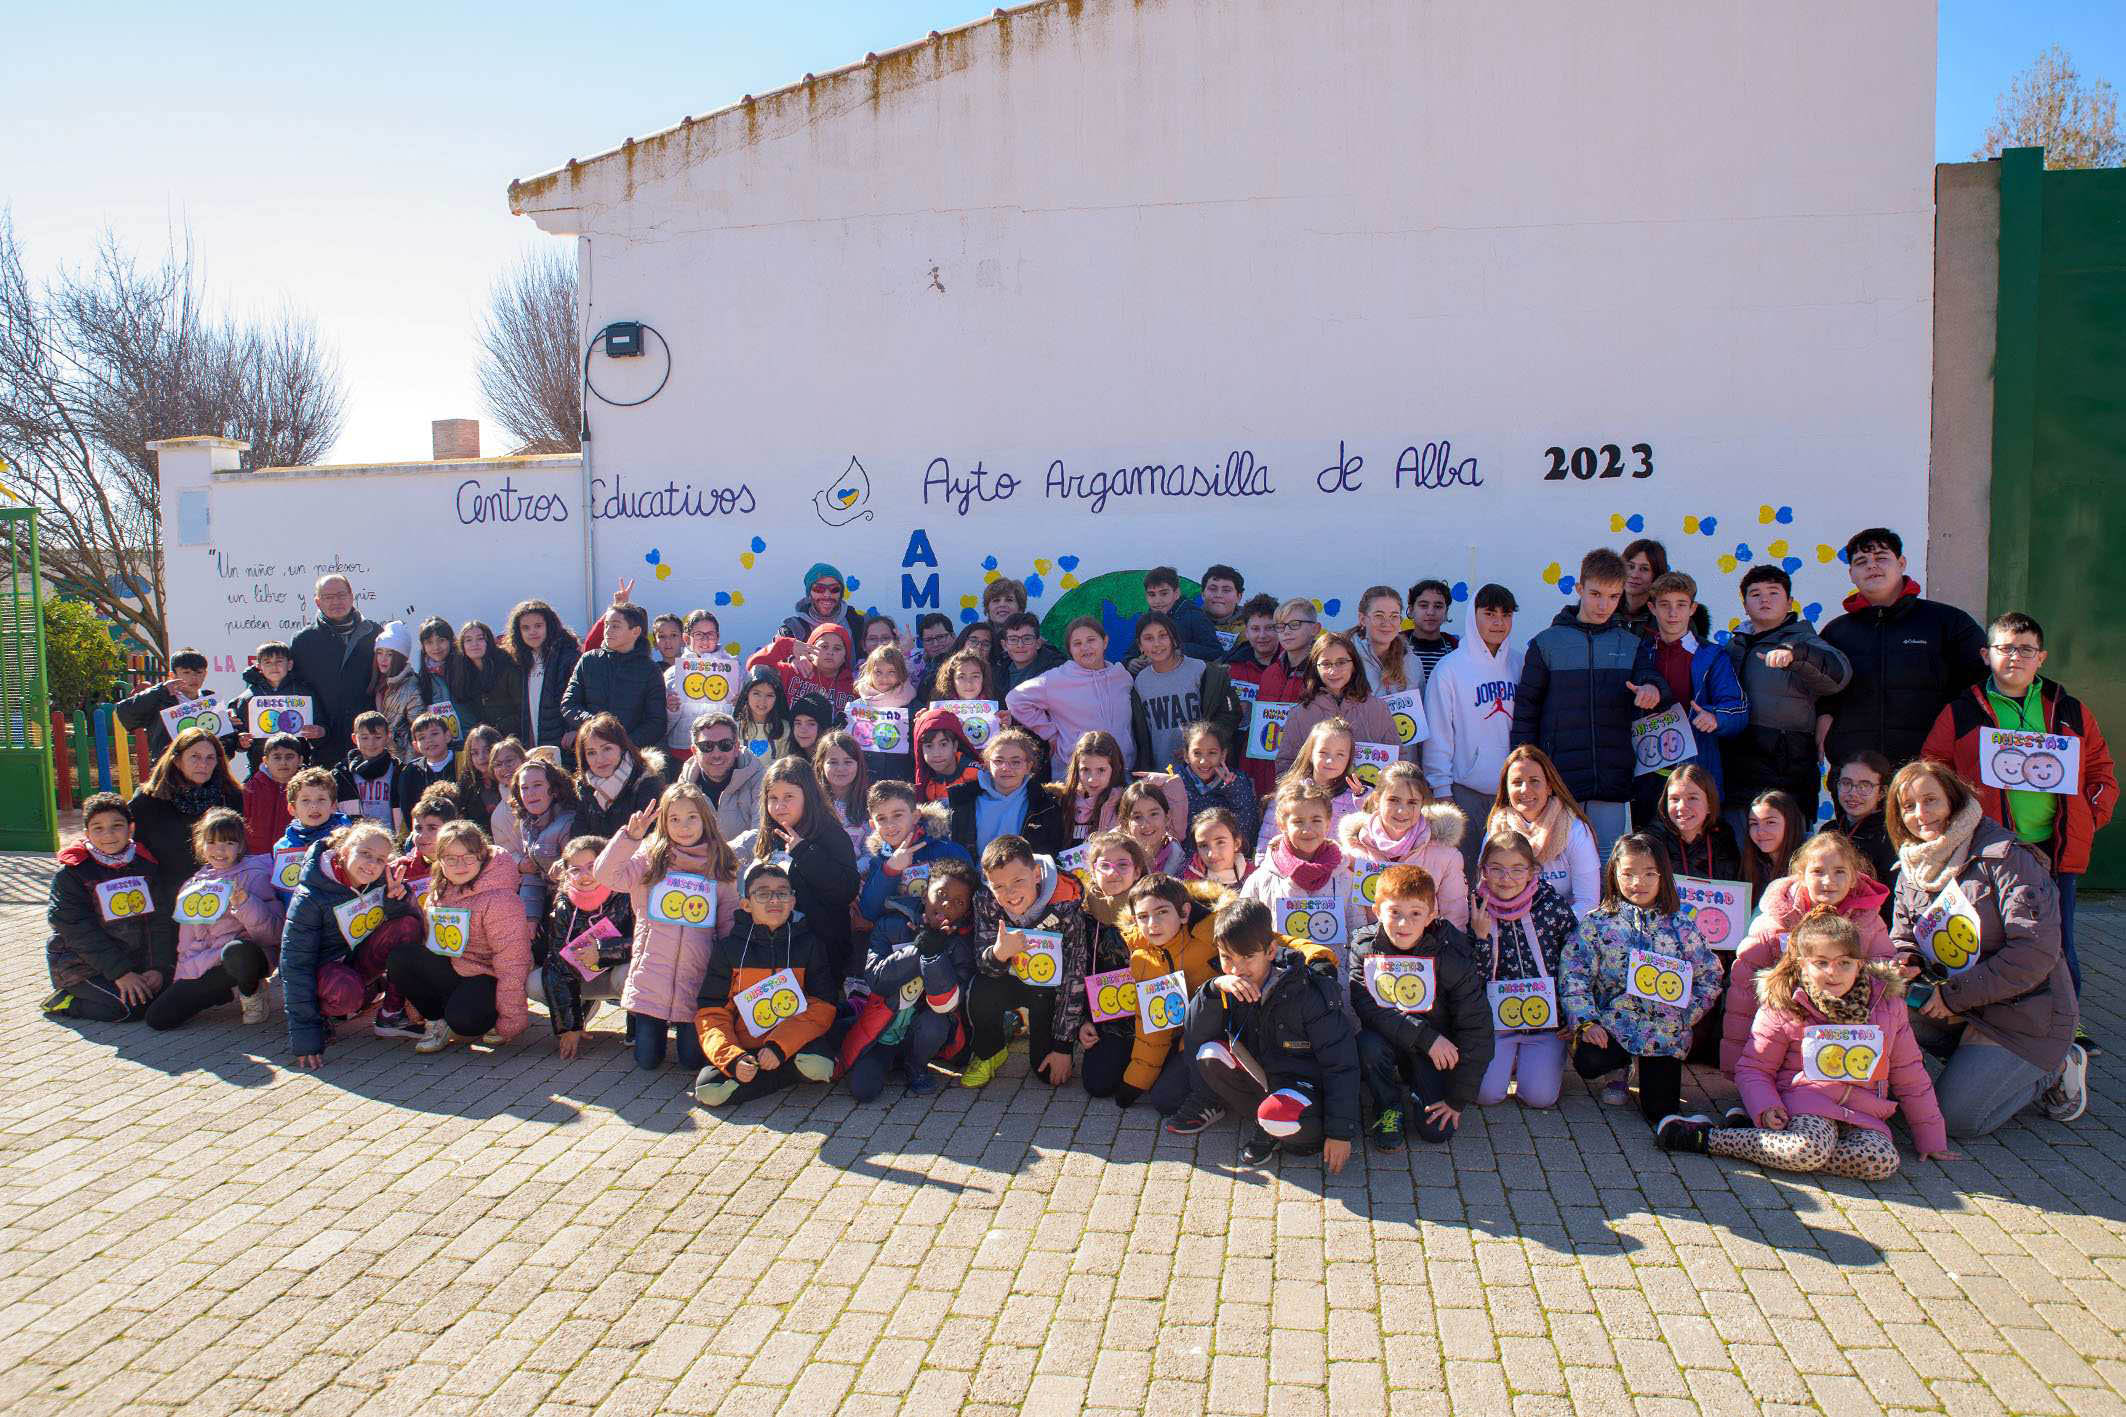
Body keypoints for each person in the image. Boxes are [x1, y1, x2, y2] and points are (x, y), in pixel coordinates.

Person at [1922, 611, 2116, 1015]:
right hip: (1989, 850)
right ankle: (1991, 1019)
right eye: (2005, 648)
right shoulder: (1960, 712)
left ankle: (2067, 1024)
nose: (2015, 657)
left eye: (2025, 649)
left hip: (2055, 848)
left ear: (2040, 658)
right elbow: (1932, 770)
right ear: (1986, 653)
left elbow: (2101, 771)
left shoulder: (2071, 711)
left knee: (2058, 943)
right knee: (1990, 938)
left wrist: (2090, 818)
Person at [1664, 909, 1952, 1175]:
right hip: (1806, 1103)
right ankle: (1708, 1137)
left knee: (1881, 1161)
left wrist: (1931, 1137)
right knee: (1805, 1149)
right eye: (1822, 963)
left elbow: (1911, 1074)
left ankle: (1768, 1142)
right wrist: (1766, 1106)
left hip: (1865, 1111)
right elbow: (1754, 1068)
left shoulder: (1887, 1006)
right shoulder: (1786, 1004)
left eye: (1844, 963)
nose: (1833, 972)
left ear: (1860, 965)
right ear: (1803, 964)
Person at [1885, 760, 2085, 1134]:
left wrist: (1953, 997)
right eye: (1907, 806)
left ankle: (2055, 1068)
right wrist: (1906, 959)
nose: (1920, 814)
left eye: (1931, 800)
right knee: (1883, 1010)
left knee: (1954, 1120)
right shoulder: (1914, 864)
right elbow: (1904, 935)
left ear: (1955, 801)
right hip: (1962, 1003)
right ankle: (1974, 1063)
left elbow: (2033, 954)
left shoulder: (2007, 857)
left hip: (2025, 1015)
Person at [1167, 897, 1358, 1172]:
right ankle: (1265, 1124)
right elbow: (1195, 1033)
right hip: (1264, 1079)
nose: (1236, 969)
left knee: (1282, 1120)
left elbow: (1341, 1062)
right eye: (1227, 957)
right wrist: (1213, 989)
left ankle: (1287, 1130)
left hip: (1306, 1091)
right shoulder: (1227, 985)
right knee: (1209, 1053)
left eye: (1247, 957)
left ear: (1270, 951)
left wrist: (1340, 1132)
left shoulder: (1307, 991)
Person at [1512, 548, 1670, 860]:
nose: (1603, 605)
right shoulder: (1545, 643)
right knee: (1552, 866)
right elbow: (1525, 712)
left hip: (1611, 783)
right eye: (1596, 594)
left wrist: (1652, 689)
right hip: (1556, 785)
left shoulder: (1630, 643)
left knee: (1605, 865)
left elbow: (1654, 680)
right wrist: (1525, 773)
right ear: (1580, 588)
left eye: (1613, 596)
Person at [1559, 833, 1719, 1121]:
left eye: (1649, 874)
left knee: (1661, 1111)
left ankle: (1649, 1069)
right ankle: (1618, 1067)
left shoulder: (1682, 926)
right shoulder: (1598, 923)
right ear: (1614, 874)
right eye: (1628, 874)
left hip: (1664, 1033)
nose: (1638, 883)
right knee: (1589, 1060)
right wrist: (1587, 1021)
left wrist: (1686, 1016)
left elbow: (1710, 976)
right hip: (1617, 1022)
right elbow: (1574, 974)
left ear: (1663, 876)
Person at [1720, 831, 1890, 1077]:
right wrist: (1736, 1067)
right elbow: (1743, 994)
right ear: (1801, 876)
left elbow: (1883, 971)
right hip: (1780, 1038)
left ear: (1854, 878)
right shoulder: (1776, 921)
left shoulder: (1868, 921)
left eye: (1839, 871)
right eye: (1818, 871)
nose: (1828, 880)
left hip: (1840, 1046)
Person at [595, 783, 741, 1072]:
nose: (683, 826)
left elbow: (728, 917)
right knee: (648, 1060)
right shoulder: (651, 856)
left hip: (696, 973)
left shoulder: (719, 862)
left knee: (691, 1061)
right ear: (663, 822)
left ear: (705, 820)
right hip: (653, 972)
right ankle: (645, 1031)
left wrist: (730, 966)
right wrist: (630, 837)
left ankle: (690, 1035)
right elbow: (607, 875)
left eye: (691, 818)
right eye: (674, 819)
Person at [1349, 865, 1493, 1151]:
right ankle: (1387, 1106)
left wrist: (1457, 1099)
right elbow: (1367, 1006)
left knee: (1435, 1132)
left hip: (1436, 1050)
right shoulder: (1365, 946)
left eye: (1416, 913)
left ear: (1431, 915)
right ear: (1377, 911)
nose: (1404, 924)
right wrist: (1425, 1038)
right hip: (1396, 1039)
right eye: (1395, 913)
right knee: (1367, 1045)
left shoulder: (1451, 952)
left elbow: (1477, 1025)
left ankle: (1420, 1084)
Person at [1819, 527, 1987, 770]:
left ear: (1901, 563)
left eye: (1881, 558)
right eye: (1861, 561)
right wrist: (1825, 722)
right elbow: (1822, 694)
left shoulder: (1948, 622)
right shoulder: (1836, 632)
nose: (1871, 566)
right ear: (1851, 574)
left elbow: (1979, 686)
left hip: (1929, 771)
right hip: (1856, 774)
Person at [692, 861, 843, 1107]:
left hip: (791, 1045)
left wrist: (779, 1047)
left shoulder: (809, 945)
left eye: (782, 893)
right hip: (744, 1049)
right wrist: (733, 1058)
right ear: (746, 904)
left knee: (820, 1065)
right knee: (709, 1091)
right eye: (763, 893)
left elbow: (823, 1006)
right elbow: (711, 1013)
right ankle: (780, 1075)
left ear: (793, 901)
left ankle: (767, 1077)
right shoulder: (729, 949)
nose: (774, 900)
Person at [280, 822, 424, 1069]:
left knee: (407, 926)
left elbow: (412, 926)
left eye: (380, 859)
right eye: (365, 854)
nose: (371, 864)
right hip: (322, 971)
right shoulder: (311, 895)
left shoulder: (383, 880)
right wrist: (306, 1035)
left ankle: (390, 1014)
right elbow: (294, 963)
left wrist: (396, 901)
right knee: (347, 993)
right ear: (344, 851)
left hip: (355, 961)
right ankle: (323, 1014)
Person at [962, 833, 1095, 1088]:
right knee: (980, 989)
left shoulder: (1066, 904)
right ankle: (991, 1050)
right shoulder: (986, 900)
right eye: (998, 886)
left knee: (1048, 1075)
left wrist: (1063, 1046)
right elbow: (983, 963)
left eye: (1018, 881)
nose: (1009, 893)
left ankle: (1032, 1031)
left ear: (1036, 874)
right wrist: (999, 953)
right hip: (1007, 982)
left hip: (1047, 992)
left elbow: (1074, 978)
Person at [386, 822, 532, 1054]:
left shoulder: (500, 899)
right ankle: (437, 1020)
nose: (460, 865)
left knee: (465, 1021)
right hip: (453, 967)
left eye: (468, 856)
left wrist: (511, 1019)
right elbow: (431, 945)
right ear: (440, 860)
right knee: (401, 958)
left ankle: (478, 1015)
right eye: (451, 858)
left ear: (481, 856)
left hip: (487, 975)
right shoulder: (439, 890)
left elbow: (512, 961)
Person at [1723, 565, 1851, 827]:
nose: (1764, 599)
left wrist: (1797, 655)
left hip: (1786, 769)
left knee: (1786, 856)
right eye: (1755, 594)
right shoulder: (1734, 644)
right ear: (1745, 605)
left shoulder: (1805, 640)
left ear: (1789, 602)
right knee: (1738, 852)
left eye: (1773, 592)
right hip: (1736, 769)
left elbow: (1839, 677)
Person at [841, 860, 979, 1101]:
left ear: (966, 911)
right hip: (883, 1029)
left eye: (958, 902)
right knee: (864, 1091)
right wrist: (919, 948)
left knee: (936, 1022)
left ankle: (916, 1065)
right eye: (941, 894)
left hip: (923, 1032)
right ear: (925, 894)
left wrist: (934, 953)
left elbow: (947, 1004)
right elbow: (877, 980)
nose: (947, 904)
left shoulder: (959, 944)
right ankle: (887, 1058)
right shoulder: (890, 924)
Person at [143, 807, 284, 1030]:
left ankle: (252, 990)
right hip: (207, 965)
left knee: (236, 953)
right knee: (159, 1018)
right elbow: (186, 943)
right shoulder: (191, 886)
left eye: (229, 843)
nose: (220, 850)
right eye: (212, 842)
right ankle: (224, 991)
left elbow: (273, 935)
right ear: (201, 845)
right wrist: (185, 979)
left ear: (240, 846)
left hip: (244, 957)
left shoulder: (255, 875)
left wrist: (245, 903)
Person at [43, 794, 176, 1023]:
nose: (108, 835)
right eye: (98, 828)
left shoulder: (145, 865)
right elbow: (78, 931)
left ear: (130, 828)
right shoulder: (72, 873)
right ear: (87, 833)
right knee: (130, 1009)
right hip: (82, 965)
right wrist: (121, 973)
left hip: (134, 961)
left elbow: (159, 921)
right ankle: (65, 1001)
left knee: (169, 997)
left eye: (117, 826)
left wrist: (158, 968)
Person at [1469, 829, 1578, 1109]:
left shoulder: (1551, 906)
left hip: (1545, 1023)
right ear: (1483, 871)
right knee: (1486, 1095)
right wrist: (1480, 938)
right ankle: (1508, 1060)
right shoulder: (1474, 907)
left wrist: (1569, 1013)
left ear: (1532, 872)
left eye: (1518, 870)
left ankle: (1535, 1062)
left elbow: (1574, 962)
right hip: (1496, 1022)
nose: (1506, 879)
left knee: (1539, 1098)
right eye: (1497, 869)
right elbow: (1469, 976)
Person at [1630, 570, 1748, 826]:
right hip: (1648, 771)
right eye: (1665, 605)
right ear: (1652, 607)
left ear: (1693, 608)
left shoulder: (1712, 656)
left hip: (1697, 766)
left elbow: (1738, 709)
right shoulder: (1637, 652)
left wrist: (1715, 718)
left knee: (1696, 847)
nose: (1673, 613)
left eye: (1681, 605)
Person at [736, 756, 862, 987]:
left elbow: (847, 889)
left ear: (808, 797)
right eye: (773, 798)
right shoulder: (769, 836)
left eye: (789, 797)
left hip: (821, 954)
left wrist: (804, 851)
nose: (780, 805)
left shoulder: (830, 834)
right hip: (777, 950)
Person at [1422, 583, 1521, 874]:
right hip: (1465, 791)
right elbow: (1439, 734)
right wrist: (1441, 789)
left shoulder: (1520, 662)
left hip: (1514, 793)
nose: (1498, 622)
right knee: (1465, 874)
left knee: (1507, 873)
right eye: (1489, 613)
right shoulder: (1449, 668)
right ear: (1472, 616)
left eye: (1505, 614)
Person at [1118, 874, 1230, 1113]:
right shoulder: (1142, 957)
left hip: (1222, 1034)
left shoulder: (1212, 933)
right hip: (1180, 1037)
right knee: (1163, 1099)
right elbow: (1153, 1025)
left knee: (1167, 1099)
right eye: (1143, 917)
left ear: (1184, 912)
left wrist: (1315, 955)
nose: (1152, 924)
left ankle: (1220, 1093)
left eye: (1162, 912)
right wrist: (1137, 1081)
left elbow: (1266, 939)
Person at [533, 835, 635, 1060]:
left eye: (592, 866)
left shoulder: (628, 894)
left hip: (616, 972)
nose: (585, 876)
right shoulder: (563, 904)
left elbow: (644, 942)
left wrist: (602, 951)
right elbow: (557, 962)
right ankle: (583, 1008)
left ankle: (638, 1023)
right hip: (582, 975)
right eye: (575, 870)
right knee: (534, 983)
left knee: (631, 975)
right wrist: (570, 1026)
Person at [1239, 780, 1351, 979]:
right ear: (1282, 825)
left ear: (1328, 823)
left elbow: (1357, 930)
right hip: (1281, 982)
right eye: (1298, 822)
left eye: (1316, 820)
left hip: (1334, 981)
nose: (1307, 830)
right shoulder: (1262, 879)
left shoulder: (1345, 876)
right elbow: (1246, 932)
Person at [1338, 762, 1470, 930]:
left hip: (1425, 953)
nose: (1402, 811)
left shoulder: (1447, 857)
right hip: (1366, 952)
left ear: (1422, 804)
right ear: (1377, 799)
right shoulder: (1352, 851)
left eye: (1412, 802)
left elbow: (1455, 921)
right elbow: (1347, 914)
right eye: (1394, 800)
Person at [130, 727, 245, 913]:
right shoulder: (147, 802)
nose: (203, 764)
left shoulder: (231, 797)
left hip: (220, 898)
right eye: (195, 757)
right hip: (165, 901)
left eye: (210, 757)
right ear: (177, 760)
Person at [1008, 617, 1136, 776]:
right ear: (1069, 649)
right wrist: (1050, 733)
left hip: (1121, 772)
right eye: (1077, 643)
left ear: (1105, 642)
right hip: (1075, 777)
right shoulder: (1056, 679)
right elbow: (1015, 699)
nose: (1085, 647)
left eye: (1091, 640)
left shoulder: (1121, 676)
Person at [1488, 746, 1601, 917]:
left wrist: (1546, 930)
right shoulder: (1496, 829)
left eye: (1534, 781)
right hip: (1510, 927)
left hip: (1565, 928)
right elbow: (1485, 892)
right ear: (1506, 789)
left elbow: (1588, 902)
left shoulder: (1575, 830)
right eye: (1517, 782)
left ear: (1549, 787)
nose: (1525, 790)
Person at [854, 782, 973, 936]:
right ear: (872, 825)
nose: (890, 825)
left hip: (947, 939)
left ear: (915, 816)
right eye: (881, 819)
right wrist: (890, 870)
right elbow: (869, 911)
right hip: (898, 941)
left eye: (897, 815)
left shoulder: (947, 850)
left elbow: (970, 900)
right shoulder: (879, 860)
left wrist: (958, 927)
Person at [1130, 611, 1241, 775]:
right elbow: (1142, 733)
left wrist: (1201, 746)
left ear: (1174, 639)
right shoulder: (1140, 681)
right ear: (1140, 646)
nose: (1157, 644)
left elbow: (1230, 715)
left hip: (1203, 772)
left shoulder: (1202, 671)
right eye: (1148, 638)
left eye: (1163, 635)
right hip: (1161, 773)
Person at [288, 575, 384, 764]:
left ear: (351, 596)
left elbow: (391, 679)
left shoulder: (374, 633)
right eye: (328, 597)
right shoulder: (303, 641)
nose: (336, 601)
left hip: (369, 740)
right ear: (317, 602)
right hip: (323, 743)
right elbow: (291, 685)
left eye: (341, 595)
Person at [1274, 632, 1397, 778]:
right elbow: (1286, 766)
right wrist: (1304, 790)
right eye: (1326, 664)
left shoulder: (1378, 709)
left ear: (1354, 664)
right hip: (1317, 799)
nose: (1334, 671)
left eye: (1341, 662)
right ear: (1315, 667)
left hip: (1368, 799)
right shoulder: (1300, 714)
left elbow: (1397, 760)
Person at [560, 602, 668, 754]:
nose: (608, 631)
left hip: (631, 756)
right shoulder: (589, 660)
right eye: (606, 625)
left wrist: (623, 745)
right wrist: (595, 724)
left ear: (635, 631)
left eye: (615, 626)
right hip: (590, 752)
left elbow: (656, 723)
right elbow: (569, 704)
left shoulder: (649, 669)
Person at [947, 727, 1066, 856]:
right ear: (987, 764)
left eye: (1015, 762)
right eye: (999, 761)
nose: (1006, 768)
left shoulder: (1046, 806)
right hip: (973, 876)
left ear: (1028, 766)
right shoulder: (963, 800)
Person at [493, 756, 577, 921]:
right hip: (545, 902)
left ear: (554, 790)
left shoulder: (568, 823)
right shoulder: (527, 824)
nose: (530, 793)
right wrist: (530, 918)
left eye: (537, 785)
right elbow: (534, 874)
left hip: (571, 906)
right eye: (524, 788)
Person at [226, 641, 326, 773]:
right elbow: (238, 734)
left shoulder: (305, 693)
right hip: (260, 768)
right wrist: (241, 742)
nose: (274, 666)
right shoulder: (248, 697)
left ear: (289, 665)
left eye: (279, 661)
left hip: (298, 767)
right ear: (259, 667)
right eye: (267, 662)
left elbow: (322, 724)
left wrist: (321, 732)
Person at [499, 599, 583, 755]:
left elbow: (582, 696)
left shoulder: (567, 657)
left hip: (564, 743)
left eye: (538, 626)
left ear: (549, 626)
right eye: (526, 628)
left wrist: (576, 728)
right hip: (534, 744)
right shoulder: (521, 661)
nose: (532, 632)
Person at [570, 713, 667, 841]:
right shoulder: (586, 788)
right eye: (591, 753)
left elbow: (652, 838)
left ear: (622, 748)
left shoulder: (647, 782)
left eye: (607, 749)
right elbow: (577, 839)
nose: (600, 759)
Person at [677, 713, 768, 845]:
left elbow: (761, 832)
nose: (717, 754)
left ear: (736, 748)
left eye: (725, 745)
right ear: (694, 751)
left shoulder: (759, 778)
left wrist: (720, 856)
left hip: (746, 863)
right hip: (698, 862)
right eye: (707, 746)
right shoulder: (685, 783)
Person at [750, 621, 858, 725]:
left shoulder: (855, 687)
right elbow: (756, 666)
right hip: (787, 741)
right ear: (809, 648)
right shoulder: (793, 672)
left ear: (845, 656)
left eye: (837, 648)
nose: (830, 652)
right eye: (824, 646)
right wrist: (788, 646)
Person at [271, 768, 355, 901]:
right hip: (299, 916)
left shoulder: (349, 840)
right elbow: (282, 892)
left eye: (321, 799)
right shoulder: (282, 847)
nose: (314, 806)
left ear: (333, 805)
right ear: (292, 808)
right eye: (305, 800)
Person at [1647, 764, 1741, 882]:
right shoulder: (1651, 843)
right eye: (1674, 799)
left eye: (1692, 798)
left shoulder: (1723, 838)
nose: (1681, 807)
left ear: (1710, 805)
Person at [1174, 721, 1259, 848]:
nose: (1204, 761)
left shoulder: (1238, 781)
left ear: (1223, 755)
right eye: (1197, 753)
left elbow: (1247, 829)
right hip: (1184, 861)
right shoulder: (1176, 782)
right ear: (1186, 756)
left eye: (1212, 753)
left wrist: (1233, 788)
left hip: (1224, 858)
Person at [1832, 750, 1899, 892]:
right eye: (1846, 783)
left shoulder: (1889, 837)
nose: (1853, 793)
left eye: (1864, 786)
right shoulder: (1829, 830)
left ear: (1882, 792)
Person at [850, 645, 918, 783]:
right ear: (869, 673)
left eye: (891, 672)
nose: (884, 678)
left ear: (901, 674)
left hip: (902, 779)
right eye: (878, 672)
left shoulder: (913, 707)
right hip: (866, 782)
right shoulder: (858, 707)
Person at [450, 618, 525, 741]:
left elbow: (523, 710)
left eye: (480, 638)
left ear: (489, 642)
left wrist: (496, 728)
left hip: (514, 738)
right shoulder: (463, 673)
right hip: (483, 741)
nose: (474, 644)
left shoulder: (506, 667)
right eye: (468, 640)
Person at [1051, 730, 1130, 845]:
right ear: (1076, 769)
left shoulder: (1126, 804)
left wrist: (1164, 779)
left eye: (1101, 770)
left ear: (1115, 768)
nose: (1092, 779)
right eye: (1085, 769)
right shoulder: (1061, 800)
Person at [1136, 565, 1224, 662]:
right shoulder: (1146, 620)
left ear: (1176, 593)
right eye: (1152, 594)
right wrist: (1130, 661)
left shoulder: (1194, 616)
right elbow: (1134, 650)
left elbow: (1215, 651)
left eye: (1164, 593)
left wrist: (1178, 650)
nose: (1157, 600)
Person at [332, 711, 401, 832]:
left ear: (388, 737)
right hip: (354, 840)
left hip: (391, 840)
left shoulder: (399, 770)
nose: (371, 743)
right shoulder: (341, 774)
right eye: (364, 737)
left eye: (378, 737)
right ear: (354, 738)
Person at [1740, 790, 1810, 906]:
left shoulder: (1811, 862)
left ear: (1790, 823)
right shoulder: (1755, 863)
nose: (1760, 831)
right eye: (1754, 823)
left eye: (1770, 822)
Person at [241, 734, 303, 855]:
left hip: (294, 857)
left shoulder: (308, 789)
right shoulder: (250, 789)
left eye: (289, 757)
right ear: (265, 761)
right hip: (255, 859)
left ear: (300, 760)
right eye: (277, 757)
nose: (283, 762)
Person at [813, 730, 872, 855]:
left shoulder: (871, 805)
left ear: (858, 765)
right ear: (820, 765)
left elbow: (872, 853)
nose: (841, 768)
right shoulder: (810, 803)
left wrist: (853, 872)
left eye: (848, 762)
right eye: (833, 762)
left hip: (860, 872)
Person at [368, 621, 423, 757]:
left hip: (402, 761)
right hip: (383, 759)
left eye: (390, 654)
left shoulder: (412, 687)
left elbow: (418, 733)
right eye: (379, 653)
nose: (383, 659)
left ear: (401, 657)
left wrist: (407, 768)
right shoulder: (379, 683)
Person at [394, 712, 459, 827]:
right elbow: (408, 812)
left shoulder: (463, 762)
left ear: (447, 735)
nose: (429, 740)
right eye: (422, 737)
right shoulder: (410, 772)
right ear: (415, 746)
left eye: (434, 734)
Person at [777, 562, 866, 644]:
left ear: (841, 594)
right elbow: (776, 653)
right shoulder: (792, 630)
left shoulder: (857, 623)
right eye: (819, 589)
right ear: (809, 594)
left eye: (834, 589)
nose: (827, 595)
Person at [912, 705, 982, 804]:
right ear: (920, 750)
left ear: (955, 746)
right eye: (929, 746)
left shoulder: (977, 775)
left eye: (943, 744)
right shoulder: (926, 783)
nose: (936, 753)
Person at [1402, 579, 1462, 690]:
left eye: (1438, 606)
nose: (1430, 612)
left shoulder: (1457, 649)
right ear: (1411, 610)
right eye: (1423, 605)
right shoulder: (1395, 646)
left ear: (1446, 612)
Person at [996, 612, 1064, 694]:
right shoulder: (998, 673)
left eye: (1027, 639)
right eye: (1013, 639)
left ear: (1038, 643)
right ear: (1004, 645)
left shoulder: (1057, 671)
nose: (1020, 645)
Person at [1615, 538, 1670, 639]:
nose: (1635, 575)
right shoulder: (1602, 609)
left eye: (1644, 569)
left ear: (1657, 574)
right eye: (1630, 566)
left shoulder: (1669, 617)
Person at [733, 666, 791, 761]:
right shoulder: (734, 727)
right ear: (746, 694)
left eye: (769, 695)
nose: (762, 701)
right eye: (756, 693)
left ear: (777, 699)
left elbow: (784, 766)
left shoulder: (784, 728)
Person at [1185, 807, 1251, 890]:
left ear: (1236, 844)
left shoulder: (1255, 877)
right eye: (1203, 846)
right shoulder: (1186, 882)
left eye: (1220, 842)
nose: (1211, 854)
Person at [1200, 564, 1248, 646]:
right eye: (1213, 589)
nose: (1218, 595)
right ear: (1203, 594)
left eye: (1226, 590)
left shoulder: (1253, 628)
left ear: (1239, 597)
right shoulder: (1184, 623)